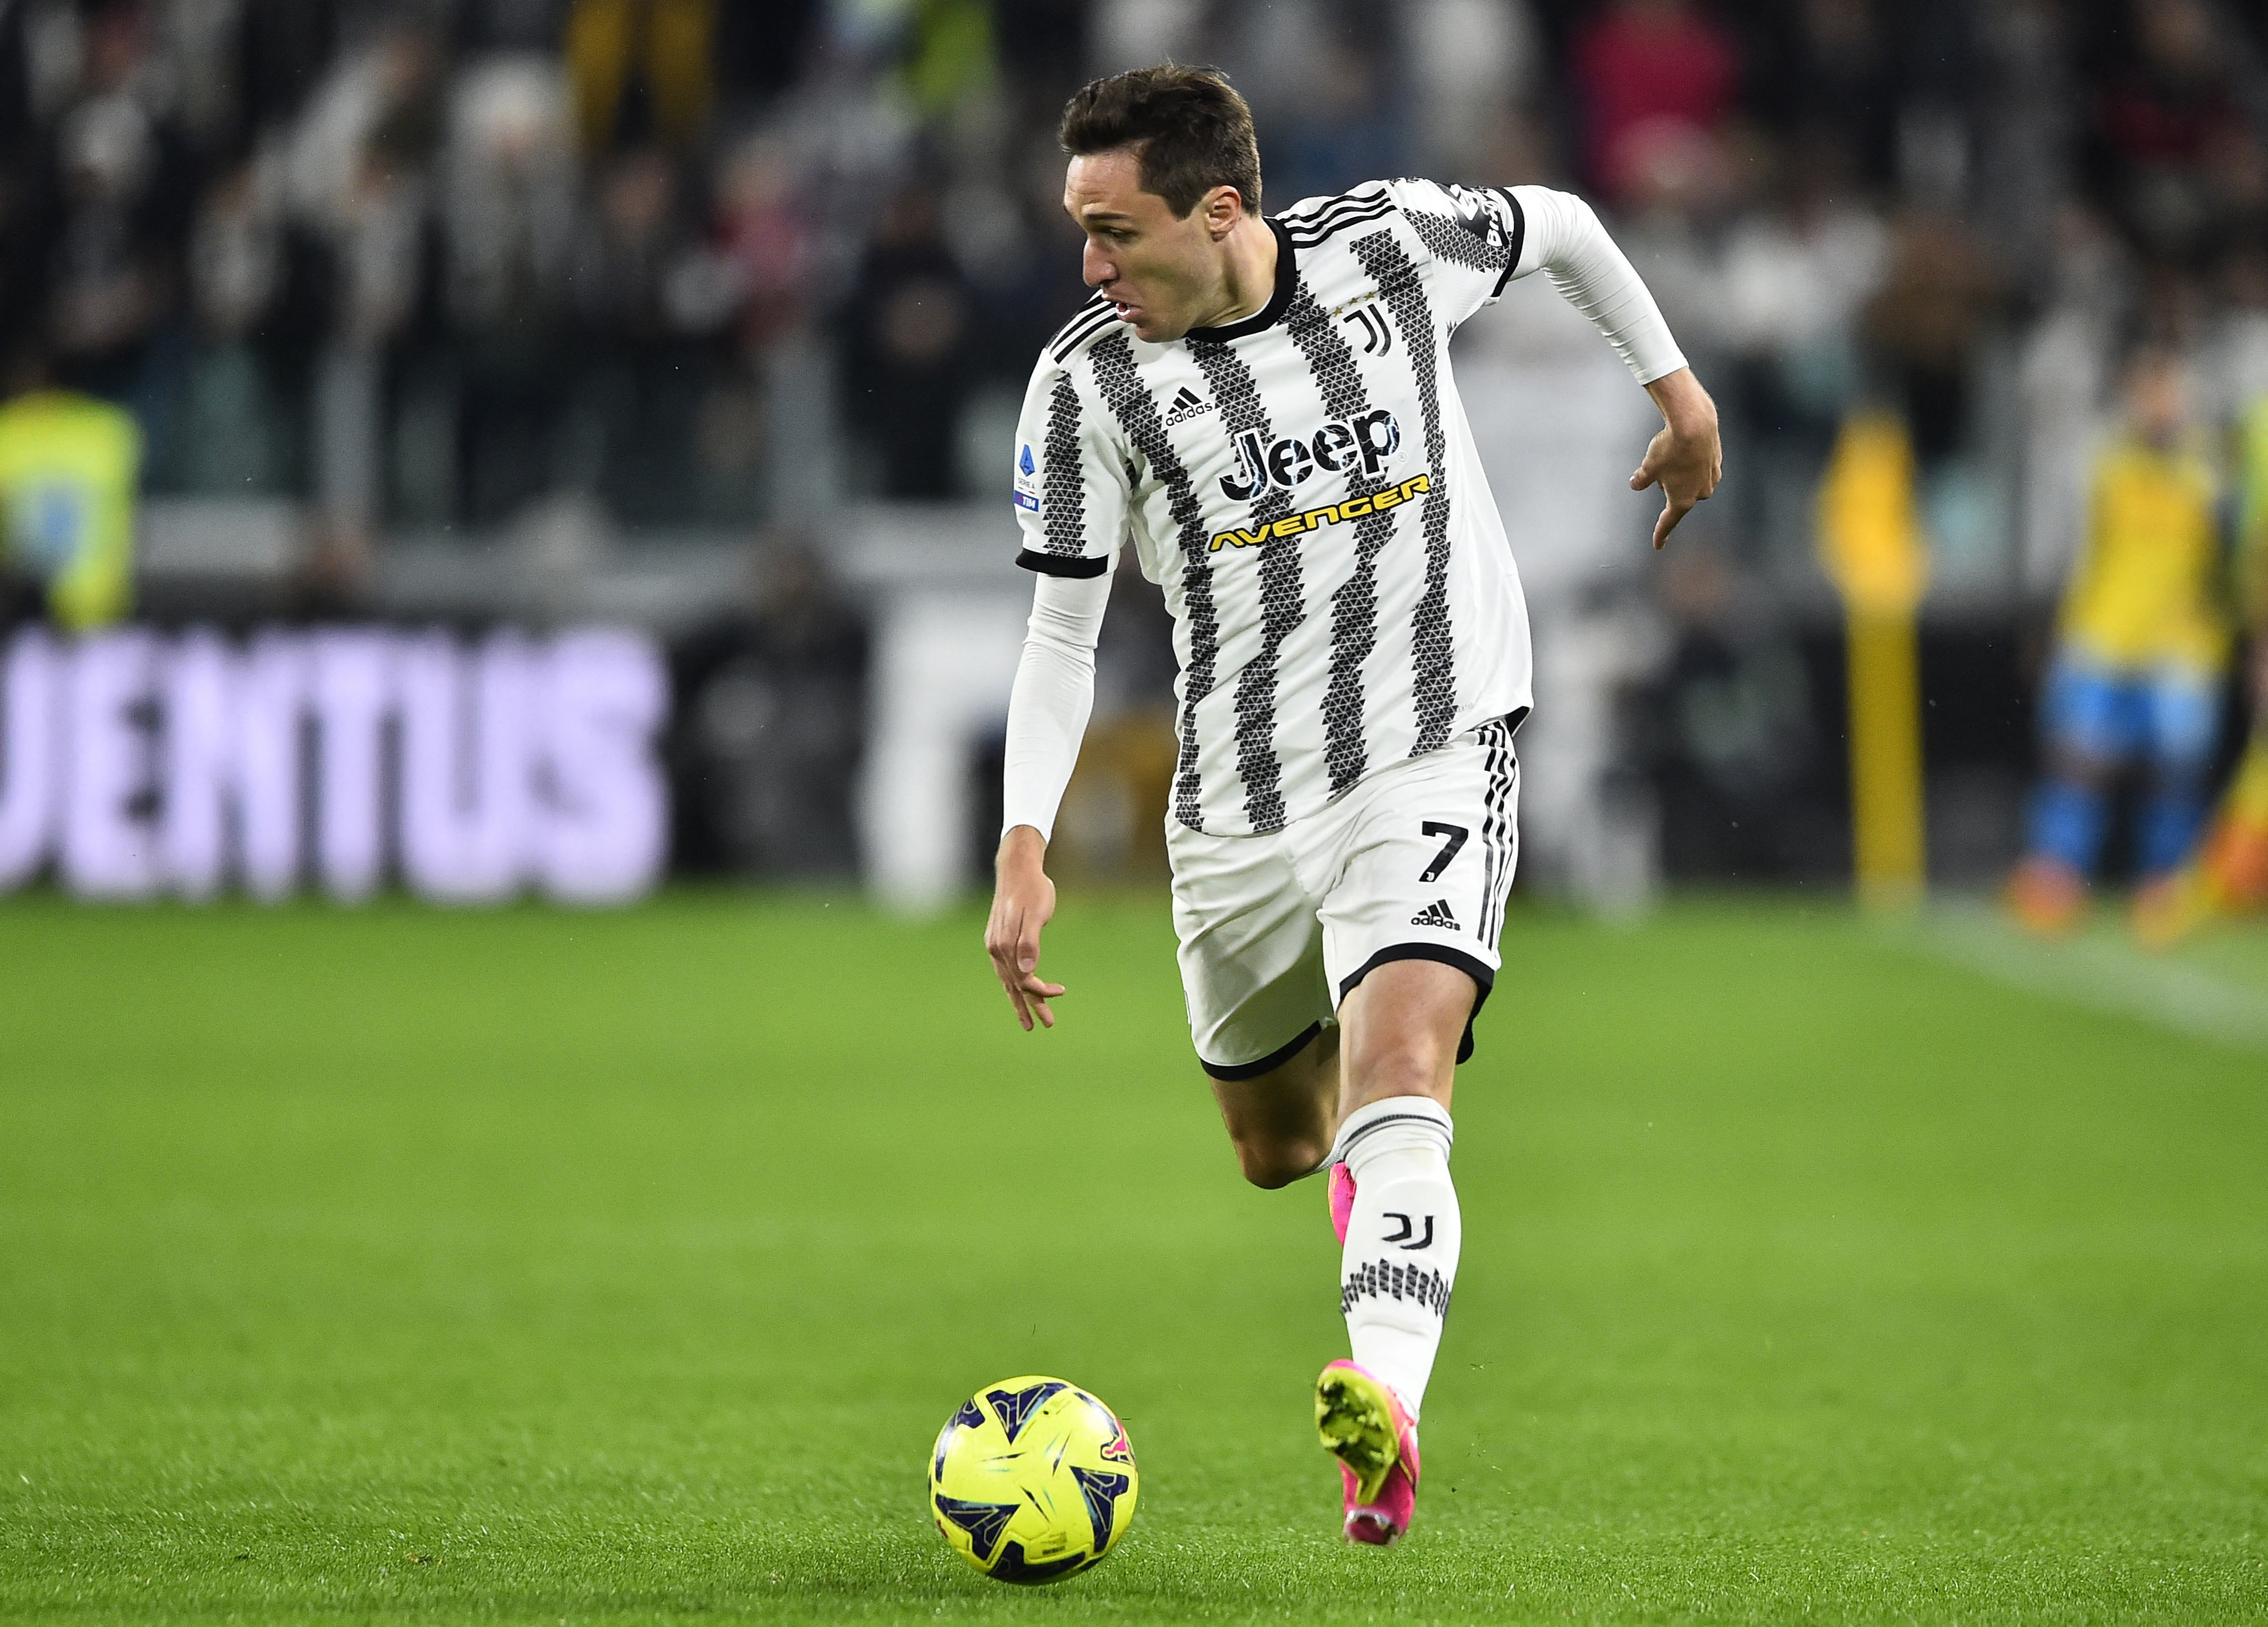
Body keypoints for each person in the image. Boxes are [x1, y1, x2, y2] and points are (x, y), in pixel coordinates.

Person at [982, 67, 1718, 1546]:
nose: (1089, 263)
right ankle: (1366, 1187)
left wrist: (1680, 395)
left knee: (1404, 1052)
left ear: (1222, 210)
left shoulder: (1386, 248)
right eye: (1079, 230)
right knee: (1275, 1142)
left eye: (1115, 231)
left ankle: (1383, 1415)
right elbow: (1063, 633)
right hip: (1238, 806)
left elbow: (1564, 225)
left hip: (1434, 747)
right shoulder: (1085, 381)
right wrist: (1024, 846)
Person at [2006, 348, 2231, 938]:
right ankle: (2055, 879)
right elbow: (2071, 555)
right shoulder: (2104, 466)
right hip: (2101, 636)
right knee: (2077, 766)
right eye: (2149, 393)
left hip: (2181, 644)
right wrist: (2051, 627)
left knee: (2175, 772)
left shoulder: (2208, 475)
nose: (2160, 406)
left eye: (2170, 394)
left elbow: (2227, 567)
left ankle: (2164, 886)